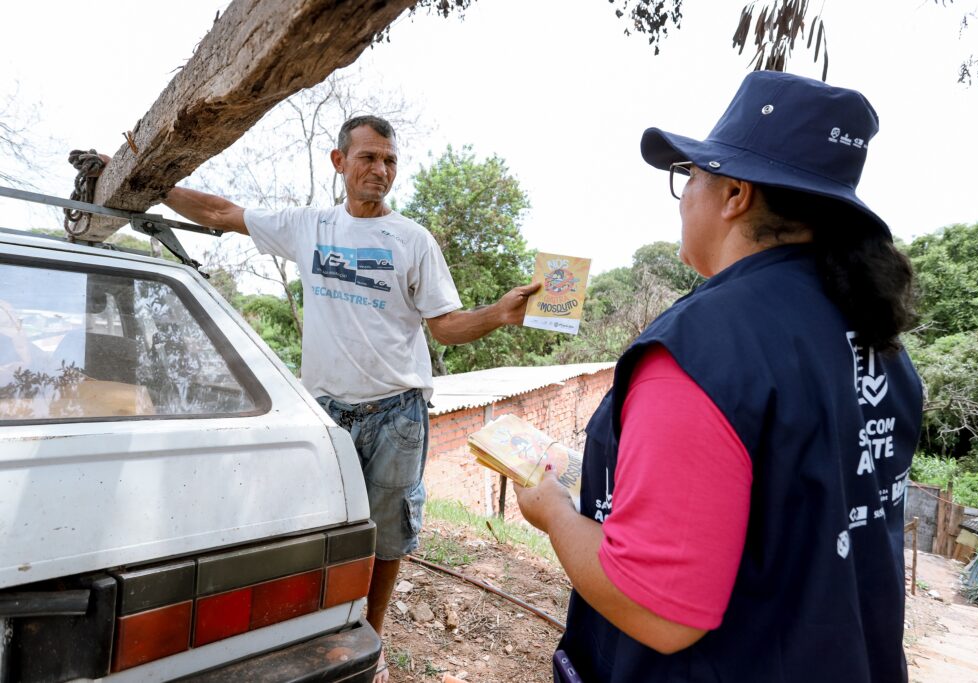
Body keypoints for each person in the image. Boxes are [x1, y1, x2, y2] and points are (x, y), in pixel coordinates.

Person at [514, 71, 923, 682]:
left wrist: (552, 513)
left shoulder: (706, 347)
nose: (683, 198)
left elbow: (658, 609)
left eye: (689, 177)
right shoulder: (878, 341)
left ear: (734, 194)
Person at [157, 115, 540, 683]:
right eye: (367, 158)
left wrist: (497, 315)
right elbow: (220, 212)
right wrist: (152, 185)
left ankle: (372, 644)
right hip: (325, 416)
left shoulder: (412, 240)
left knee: (387, 539)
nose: (379, 170)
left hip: (396, 412)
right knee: (316, 529)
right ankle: (314, 630)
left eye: (389, 160)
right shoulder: (308, 227)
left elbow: (446, 327)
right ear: (339, 162)